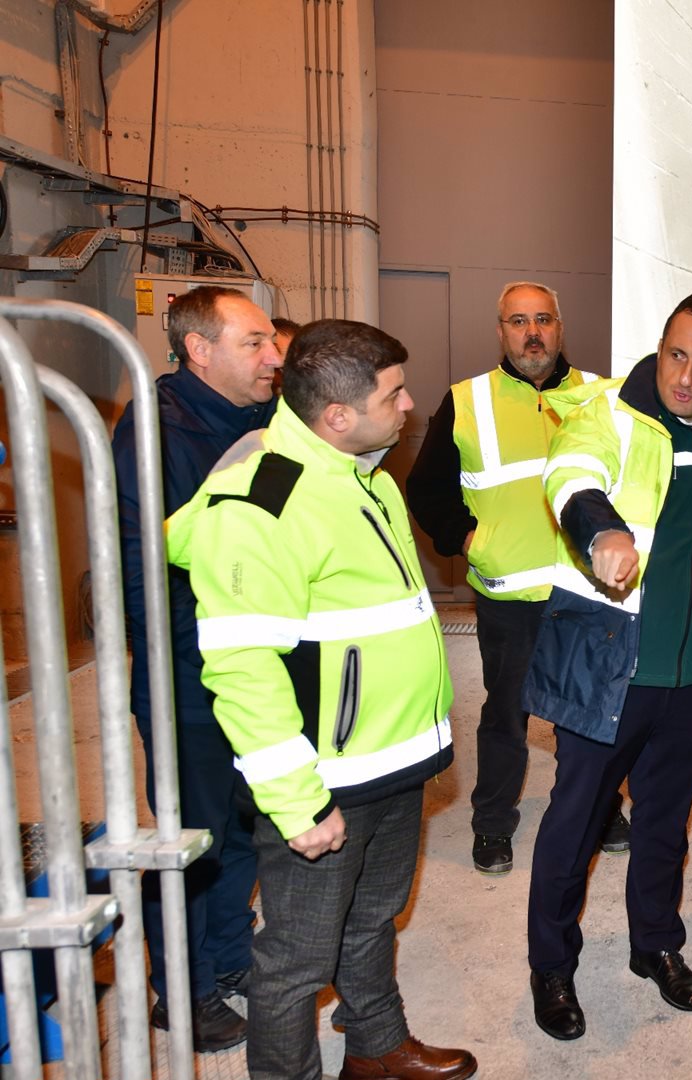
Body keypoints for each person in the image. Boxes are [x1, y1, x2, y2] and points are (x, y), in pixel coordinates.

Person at [167, 319, 475, 1080]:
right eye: (393, 395)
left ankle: (376, 1047)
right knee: (295, 961)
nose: (409, 406)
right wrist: (297, 802)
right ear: (337, 414)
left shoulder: (366, 475)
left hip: (393, 758)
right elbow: (242, 670)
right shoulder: (262, 506)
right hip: (326, 777)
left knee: (375, 918)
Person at [522, 291, 692, 1040]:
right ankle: (552, 966)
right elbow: (571, 475)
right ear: (658, 348)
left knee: (665, 827)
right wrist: (600, 532)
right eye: (675, 356)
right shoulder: (611, 412)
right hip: (613, 667)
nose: (685, 378)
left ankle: (655, 944)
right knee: (575, 823)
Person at [111, 285, 281, 1051]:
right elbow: (143, 568)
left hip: (251, 664)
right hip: (191, 671)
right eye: (255, 343)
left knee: (241, 822)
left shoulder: (262, 425)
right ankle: (179, 989)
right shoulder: (155, 431)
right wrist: (204, 662)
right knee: (190, 834)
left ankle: (228, 954)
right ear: (199, 350)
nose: (274, 357)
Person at [405, 282, 623, 876]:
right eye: (519, 321)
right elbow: (426, 490)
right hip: (510, 595)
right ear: (501, 330)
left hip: (586, 591)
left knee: (590, 712)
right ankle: (493, 822)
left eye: (543, 320)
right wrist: (472, 543)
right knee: (506, 713)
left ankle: (601, 810)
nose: (532, 333)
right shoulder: (466, 400)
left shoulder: (600, 396)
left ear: (560, 327)